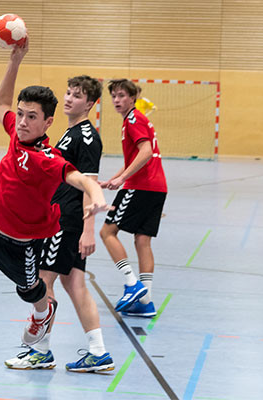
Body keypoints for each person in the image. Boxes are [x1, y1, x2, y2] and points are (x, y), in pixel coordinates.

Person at [0, 40, 111, 351]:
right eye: (22, 114)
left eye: (31, 117)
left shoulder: (49, 158)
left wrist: (95, 196)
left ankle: (43, 314)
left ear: (47, 123)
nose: (23, 122)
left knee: (30, 291)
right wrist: (15, 61)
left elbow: (80, 178)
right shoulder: (15, 132)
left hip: (20, 241)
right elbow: (0, 104)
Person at [4, 76, 114, 372]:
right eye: (68, 93)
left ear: (90, 104)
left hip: (65, 221)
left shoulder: (86, 137)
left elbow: (88, 184)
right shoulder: (70, 133)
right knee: (74, 283)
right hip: (62, 218)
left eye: (77, 96)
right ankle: (98, 352)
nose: (69, 99)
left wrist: (88, 230)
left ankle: (40, 350)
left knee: (43, 283)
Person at [99, 79, 167, 318]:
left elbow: (146, 152)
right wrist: (114, 179)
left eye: (121, 96)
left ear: (132, 97)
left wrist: (123, 179)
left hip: (141, 186)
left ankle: (132, 283)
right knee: (142, 241)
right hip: (157, 187)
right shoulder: (136, 119)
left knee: (107, 232)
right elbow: (133, 159)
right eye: (114, 96)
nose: (117, 100)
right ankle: (146, 301)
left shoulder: (133, 119)